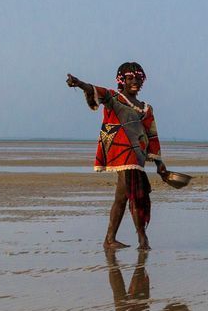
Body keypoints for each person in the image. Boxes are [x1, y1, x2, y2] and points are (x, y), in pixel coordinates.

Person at [66, 63, 167, 251]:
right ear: (122, 81)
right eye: (130, 78)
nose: (135, 81)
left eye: (138, 78)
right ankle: (142, 239)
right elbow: (96, 90)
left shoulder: (147, 109)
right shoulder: (114, 98)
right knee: (136, 196)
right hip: (122, 156)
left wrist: (160, 163)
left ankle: (110, 239)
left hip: (137, 157)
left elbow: (152, 136)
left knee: (121, 198)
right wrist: (79, 84)